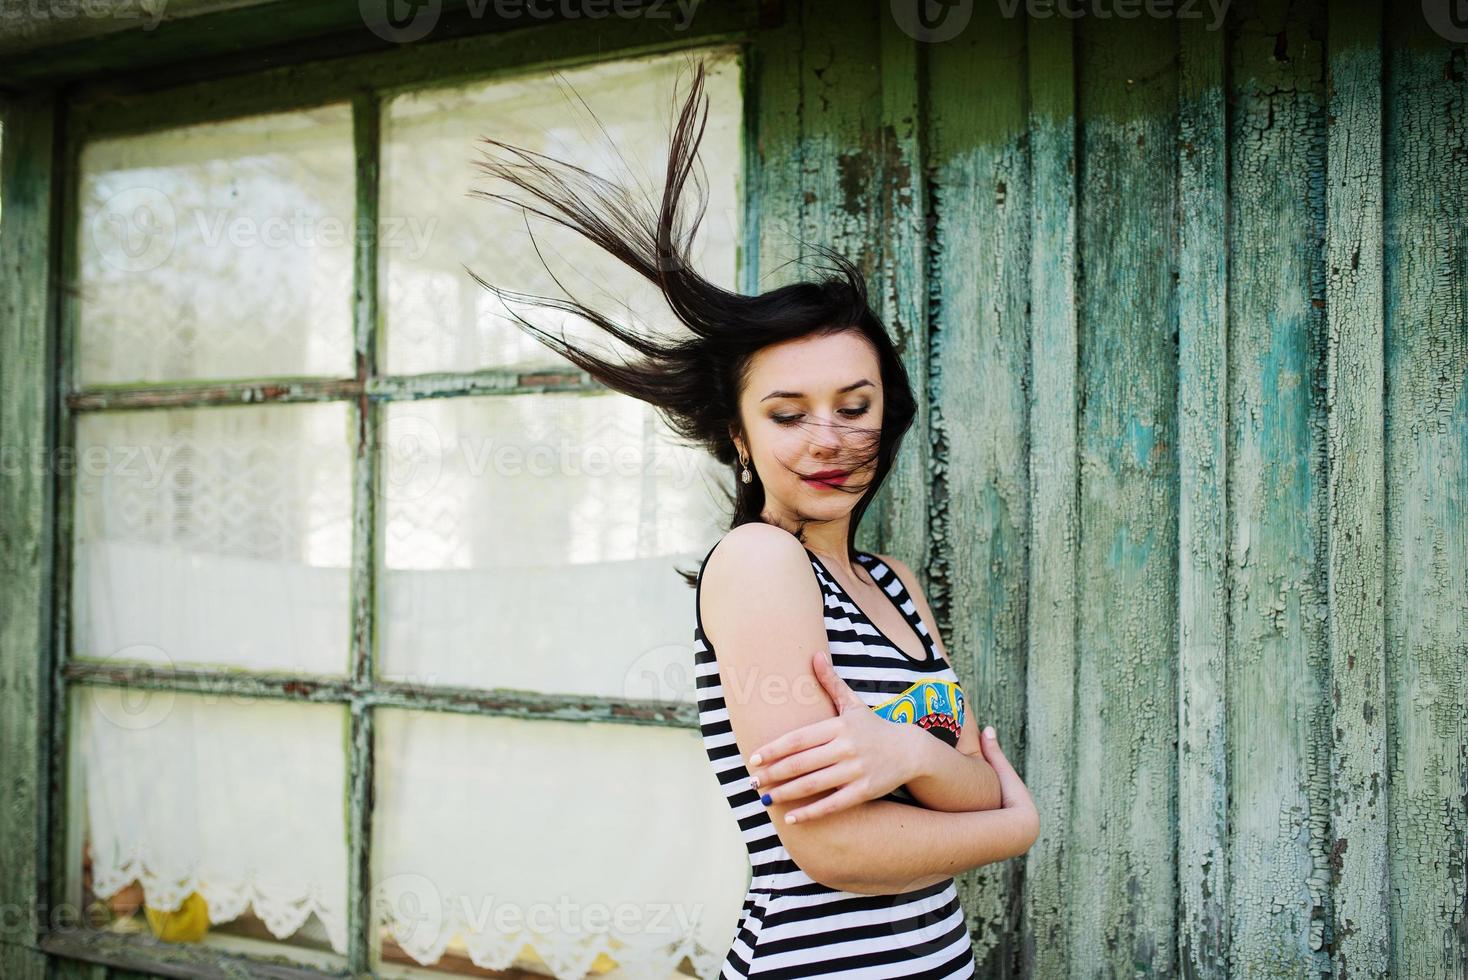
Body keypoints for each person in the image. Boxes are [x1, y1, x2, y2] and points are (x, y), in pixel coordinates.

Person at [467, 55, 1039, 979]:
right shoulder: (758, 565)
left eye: (855, 406)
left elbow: (962, 773)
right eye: (787, 414)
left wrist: (900, 751)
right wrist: (1009, 821)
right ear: (738, 437)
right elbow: (831, 849)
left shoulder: (891, 585)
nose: (827, 437)